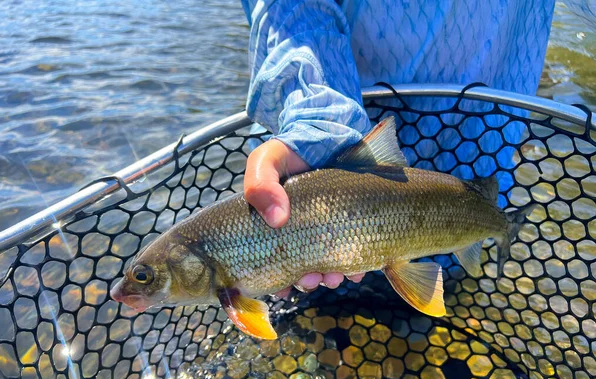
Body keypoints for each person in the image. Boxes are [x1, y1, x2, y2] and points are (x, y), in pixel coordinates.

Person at [239, 0, 562, 296]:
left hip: (466, 159)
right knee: (315, 292)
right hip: (324, 166)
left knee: (443, 295)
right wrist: (319, 121)